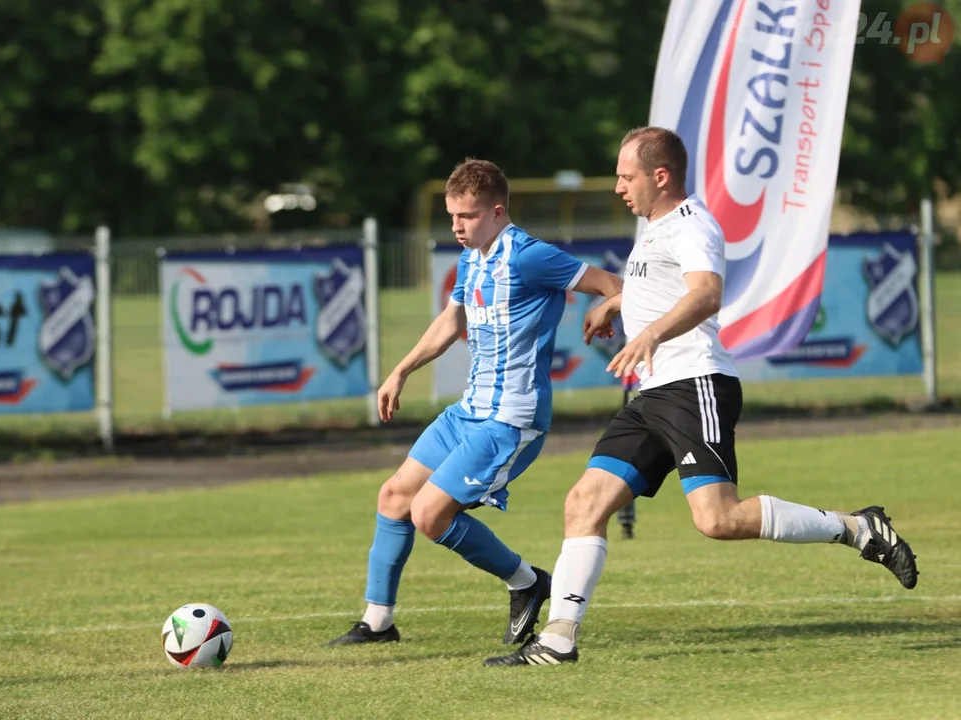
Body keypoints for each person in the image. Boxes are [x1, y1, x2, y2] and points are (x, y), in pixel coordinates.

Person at [483, 127, 920, 667]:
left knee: (718, 520)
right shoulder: (653, 227)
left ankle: (856, 528)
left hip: (695, 385)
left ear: (659, 177)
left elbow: (706, 293)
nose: (619, 187)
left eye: (627, 176)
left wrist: (650, 334)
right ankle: (557, 642)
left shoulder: (692, 225)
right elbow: (660, 286)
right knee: (583, 503)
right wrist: (617, 302)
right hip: (653, 393)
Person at [328, 158, 624, 647]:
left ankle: (526, 582)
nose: (456, 227)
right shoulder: (472, 257)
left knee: (429, 514)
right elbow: (450, 323)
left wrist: (608, 307)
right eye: (451, 216)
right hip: (469, 410)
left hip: (510, 419)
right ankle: (378, 622)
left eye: (465, 216)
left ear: (497, 211)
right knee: (394, 497)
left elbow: (613, 283)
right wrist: (400, 371)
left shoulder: (529, 256)